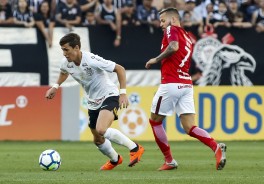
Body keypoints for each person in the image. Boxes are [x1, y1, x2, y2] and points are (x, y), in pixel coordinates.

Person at [45, 33, 144, 170]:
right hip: (92, 101)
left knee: (101, 129)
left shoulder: (91, 59)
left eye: (66, 50)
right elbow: (64, 72)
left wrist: (123, 93)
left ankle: (135, 148)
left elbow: (119, 69)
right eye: (62, 50)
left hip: (109, 95)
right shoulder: (66, 63)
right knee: (97, 139)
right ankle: (115, 159)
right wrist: (55, 87)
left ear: (77, 47)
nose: (64, 54)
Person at [145, 7, 227, 171]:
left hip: (171, 83)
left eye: (163, 20)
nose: (161, 25)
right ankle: (216, 147)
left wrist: (156, 59)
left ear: (173, 19)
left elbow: (173, 47)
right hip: (186, 85)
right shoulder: (188, 37)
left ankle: (169, 161)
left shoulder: (171, 29)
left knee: (155, 121)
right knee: (190, 127)